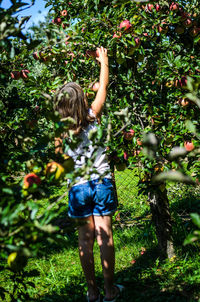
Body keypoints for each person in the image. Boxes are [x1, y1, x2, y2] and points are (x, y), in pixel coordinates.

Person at [54, 47, 124, 302]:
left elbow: (62, 164)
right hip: (102, 182)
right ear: (83, 101)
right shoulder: (93, 116)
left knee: (85, 240)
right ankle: (109, 291)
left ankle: (92, 291)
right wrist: (103, 61)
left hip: (79, 188)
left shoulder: (60, 134)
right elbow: (103, 87)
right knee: (105, 235)